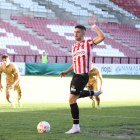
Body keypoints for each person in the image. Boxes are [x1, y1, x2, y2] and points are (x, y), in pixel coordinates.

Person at [59, 15, 105, 134]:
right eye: (74, 32)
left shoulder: (88, 43)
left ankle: (76, 127)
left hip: (83, 75)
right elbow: (75, 63)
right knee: (75, 96)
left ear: (83, 34)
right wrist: (66, 71)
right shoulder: (74, 47)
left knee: (71, 99)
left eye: (78, 32)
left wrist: (93, 25)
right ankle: (94, 93)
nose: (75, 34)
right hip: (75, 75)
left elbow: (102, 37)